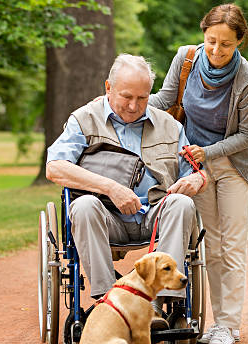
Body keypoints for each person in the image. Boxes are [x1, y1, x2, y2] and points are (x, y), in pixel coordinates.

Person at [45, 54, 207, 329]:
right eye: (126, 96)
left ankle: (157, 304)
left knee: (181, 203)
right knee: (83, 207)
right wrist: (109, 187)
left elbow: (193, 171)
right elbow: (55, 168)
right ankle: (110, 303)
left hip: (154, 215)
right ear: (108, 87)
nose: (134, 106)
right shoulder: (84, 120)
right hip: (106, 217)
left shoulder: (170, 126)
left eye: (142, 98)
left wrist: (197, 179)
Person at [148, 3, 248, 344]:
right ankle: (217, 323)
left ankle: (228, 325)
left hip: (233, 166)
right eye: (211, 40)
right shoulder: (186, 59)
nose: (216, 50)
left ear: (239, 42)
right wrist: (125, 102)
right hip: (195, 165)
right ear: (203, 34)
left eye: (225, 44)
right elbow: (166, 98)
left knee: (231, 245)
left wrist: (208, 152)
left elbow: (247, 134)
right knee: (209, 244)